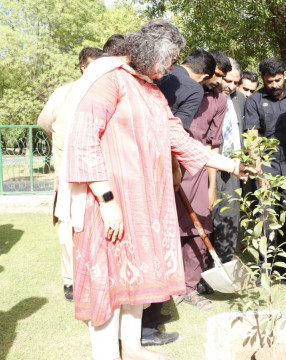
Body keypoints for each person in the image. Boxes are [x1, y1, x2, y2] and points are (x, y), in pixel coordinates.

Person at [56, 20, 252, 360]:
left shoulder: (148, 88)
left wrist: (230, 165)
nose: (173, 66)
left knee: (136, 280)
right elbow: (83, 143)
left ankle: (131, 348)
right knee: (111, 282)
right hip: (110, 203)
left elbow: (176, 137)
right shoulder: (108, 80)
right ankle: (106, 354)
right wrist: (106, 201)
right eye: (170, 58)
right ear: (150, 52)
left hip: (142, 206)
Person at [139, 49, 217, 346]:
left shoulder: (152, 76)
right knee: (161, 247)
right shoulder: (192, 89)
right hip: (158, 174)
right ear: (206, 76)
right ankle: (147, 326)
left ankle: (149, 317)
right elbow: (175, 136)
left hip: (134, 173)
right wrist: (174, 171)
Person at [37, 47, 103, 302]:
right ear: (83, 68)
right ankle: (70, 281)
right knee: (67, 227)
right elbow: (45, 122)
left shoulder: (106, 91)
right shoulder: (64, 92)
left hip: (97, 170)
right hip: (67, 171)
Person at [173, 50, 231, 310]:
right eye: (217, 75)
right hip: (169, 166)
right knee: (170, 229)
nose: (219, 81)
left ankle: (189, 288)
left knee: (199, 231)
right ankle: (164, 288)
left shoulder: (220, 100)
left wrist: (212, 187)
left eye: (223, 77)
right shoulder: (177, 84)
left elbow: (213, 144)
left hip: (199, 170)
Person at [244, 57, 286, 283]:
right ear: (263, 79)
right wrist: (259, 175)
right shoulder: (255, 101)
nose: (274, 85)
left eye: (278, 80)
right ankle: (264, 269)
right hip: (267, 168)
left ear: (285, 75)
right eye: (269, 81)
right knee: (266, 219)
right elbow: (252, 140)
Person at [211, 58, 246, 263]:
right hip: (212, 164)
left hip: (235, 166)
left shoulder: (240, 99)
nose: (231, 86)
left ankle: (225, 259)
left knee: (231, 213)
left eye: (235, 82)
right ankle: (208, 261)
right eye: (228, 81)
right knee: (212, 212)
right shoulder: (207, 97)